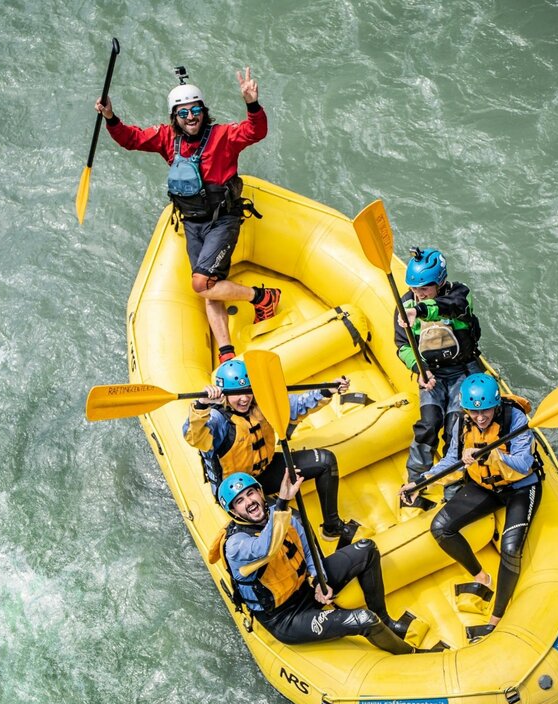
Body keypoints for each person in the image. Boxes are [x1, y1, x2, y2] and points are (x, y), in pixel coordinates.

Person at [95, 66, 279, 363]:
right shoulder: (168, 138)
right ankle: (226, 353)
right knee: (209, 288)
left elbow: (256, 131)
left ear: (203, 111)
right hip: (193, 223)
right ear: (175, 117)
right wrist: (111, 118)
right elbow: (132, 139)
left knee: (201, 284)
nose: (191, 117)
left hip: (222, 219)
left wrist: (251, 104)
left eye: (196, 110)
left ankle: (262, 297)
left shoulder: (223, 136)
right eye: (183, 113)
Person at [211, 471, 420, 654]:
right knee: (364, 619)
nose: (249, 502)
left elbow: (308, 549)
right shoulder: (236, 544)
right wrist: (283, 502)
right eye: (239, 501)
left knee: (367, 549)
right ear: (234, 512)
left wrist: (318, 579)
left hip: (305, 588)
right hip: (286, 617)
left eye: (250, 493)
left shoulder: (283, 515)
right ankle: (411, 655)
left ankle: (386, 621)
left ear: (259, 492)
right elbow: (266, 547)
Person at [399, 373, 540, 641]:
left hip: (520, 487)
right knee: (441, 528)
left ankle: (496, 618)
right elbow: (451, 461)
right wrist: (419, 483)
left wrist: (493, 453)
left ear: (496, 405)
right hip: (485, 484)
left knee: (511, 549)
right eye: (474, 411)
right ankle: (481, 576)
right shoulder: (464, 422)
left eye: (485, 410)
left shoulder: (515, 419)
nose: (480, 417)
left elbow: (523, 463)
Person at [183, 358, 361, 543]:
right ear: (224, 395)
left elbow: (297, 405)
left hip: (265, 470)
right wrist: (201, 405)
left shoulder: (262, 403)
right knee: (297, 522)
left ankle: (331, 526)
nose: (244, 398)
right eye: (237, 394)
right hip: (237, 488)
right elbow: (193, 437)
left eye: (247, 391)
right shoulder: (217, 419)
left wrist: (327, 389)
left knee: (326, 461)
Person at [393, 247, 482, 504]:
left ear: (440, 282)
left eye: (424, 289)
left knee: (456, 428)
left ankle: (452, 490)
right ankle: (414, 483)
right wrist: (419, 369)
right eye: (414, 288)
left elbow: (452, 306)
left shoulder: (459, 294)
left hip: (463, 370)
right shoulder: (404, 304)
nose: (418, 295)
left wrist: (419, 312)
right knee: (429, 424)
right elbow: (403, 346)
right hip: (431, 372)